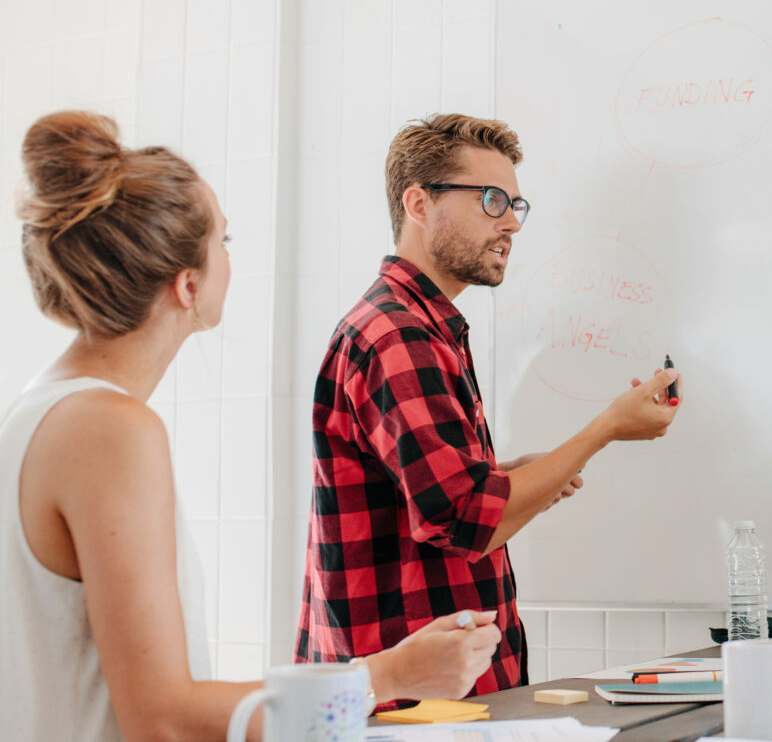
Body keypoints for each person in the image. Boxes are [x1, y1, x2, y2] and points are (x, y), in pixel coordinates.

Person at [0, 111, 502, 742]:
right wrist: (390, 673)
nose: (230, 261)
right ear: (187, 284)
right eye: (224, 243)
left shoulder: (40, 407)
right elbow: (160, 717)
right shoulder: (110, 429)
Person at [294, 114, 682, 703]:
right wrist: (607, 428)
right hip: (412, 711)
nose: (510, 224)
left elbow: (445, 500)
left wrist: (512, 475)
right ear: (419, 203)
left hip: (433, 704)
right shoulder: (398, 335)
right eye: (492, 200)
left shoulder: (422, 326)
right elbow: (468, 520)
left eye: (516, 206)